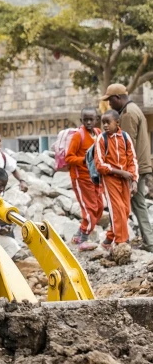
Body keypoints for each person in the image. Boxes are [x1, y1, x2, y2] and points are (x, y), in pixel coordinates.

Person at [102, 83, 153, 252]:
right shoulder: (134, 109)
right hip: (139, 165)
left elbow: (125, 147)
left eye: (110, 100)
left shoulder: (128, 114)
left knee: (133, 205)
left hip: (134, 168)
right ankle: (118, 238)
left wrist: (124, 173)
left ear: (117, 98)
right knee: (128, 205)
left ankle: (148, 242)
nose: (109, 104)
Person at [94, 110, 138, 252]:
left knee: (125, 211)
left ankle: (108, 240)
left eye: (108, 122)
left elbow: (132, 160)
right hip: (110, 178)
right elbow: (100, 165)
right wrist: (120, 172)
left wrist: (134, 180)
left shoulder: (125, 137)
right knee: (117, 209)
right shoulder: (101, 139)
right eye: (103, 123)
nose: (105, 125)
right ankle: (121, 244)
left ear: (117, 123)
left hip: (125, 179)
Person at [65, 108, 103, 250]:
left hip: (95, 177)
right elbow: (69, 157)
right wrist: (85, 160)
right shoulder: (78, 136)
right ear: (81, 120)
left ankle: (78, 235)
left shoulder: (98, 133)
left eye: (91, 119)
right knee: (89, 208)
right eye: (85, 119)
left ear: (96, 120)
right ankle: (83, 240)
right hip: (81, 178)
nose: (88, 122)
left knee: (99, 207)